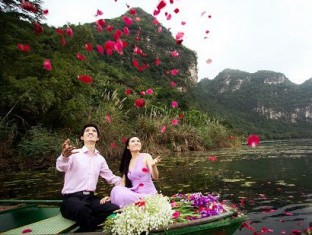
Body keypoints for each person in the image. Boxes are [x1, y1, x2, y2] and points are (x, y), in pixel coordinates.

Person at [56, 123, 121, 232]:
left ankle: (87, 227)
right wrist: (64, 157)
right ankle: (92, 228)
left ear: (98, 138)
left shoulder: (100, 159)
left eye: (94, 131)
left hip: (91, 199)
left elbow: (111, 178)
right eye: (87, 131)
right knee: (83, 209)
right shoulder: (74, 154)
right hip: (71, 199)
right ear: (82, 137)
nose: (91, 132)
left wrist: (128, 182)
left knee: (114, 209)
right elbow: (61, 167)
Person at [109, 136, 162, 208]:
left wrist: (153, 165)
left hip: (148, 194)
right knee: (116, 189)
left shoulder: (146, 156)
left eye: (138, 141)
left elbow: (155, 177)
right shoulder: (127, 162)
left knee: (120, 193)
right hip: (134, 194)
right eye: (133, 141)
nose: (136, 143)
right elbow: (122, 183)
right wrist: (112, 197)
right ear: (128, 146)